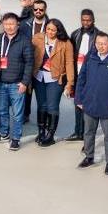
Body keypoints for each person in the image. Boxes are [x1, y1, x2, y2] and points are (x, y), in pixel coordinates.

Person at [75, 33, 108, 174]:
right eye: (98, 43)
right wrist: (79, 99)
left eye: (104, 44)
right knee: (88, 132)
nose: (101, 46)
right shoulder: (90, 57)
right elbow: (81, 78)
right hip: (90, 103)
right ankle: (89, 157)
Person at [0, 13, 33, 149]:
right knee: (1, 111)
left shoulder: (25, 41)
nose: (9, 27)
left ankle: (16, 138)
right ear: (3, 25)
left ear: (17, 25)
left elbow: (29, 63)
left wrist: (25, 82)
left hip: (17, 84)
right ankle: (4, 134)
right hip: (0, 83)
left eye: (12, 24)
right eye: (6, 24)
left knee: (17, 114)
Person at [31, 18, 74, 148]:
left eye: (53, 30)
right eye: (48, 29)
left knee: (52, 106)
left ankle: (50, 135)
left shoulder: (65, 43)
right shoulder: (37, 38)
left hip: (55, 79)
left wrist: (70, 83)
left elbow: (69, 63)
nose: (50, 32)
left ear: (58, 31)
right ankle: (41, 132)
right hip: (39, 77)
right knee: (41, 105)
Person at [64, 8, 98, 141]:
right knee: (77, 104)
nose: (86, 23)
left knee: (88, 106)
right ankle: (78, 132)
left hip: (91, 76)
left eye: (88, 20)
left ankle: (87, 134)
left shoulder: (98, 36)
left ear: (93, 20)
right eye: (83, 20)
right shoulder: (75, 34)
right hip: (78, 75)